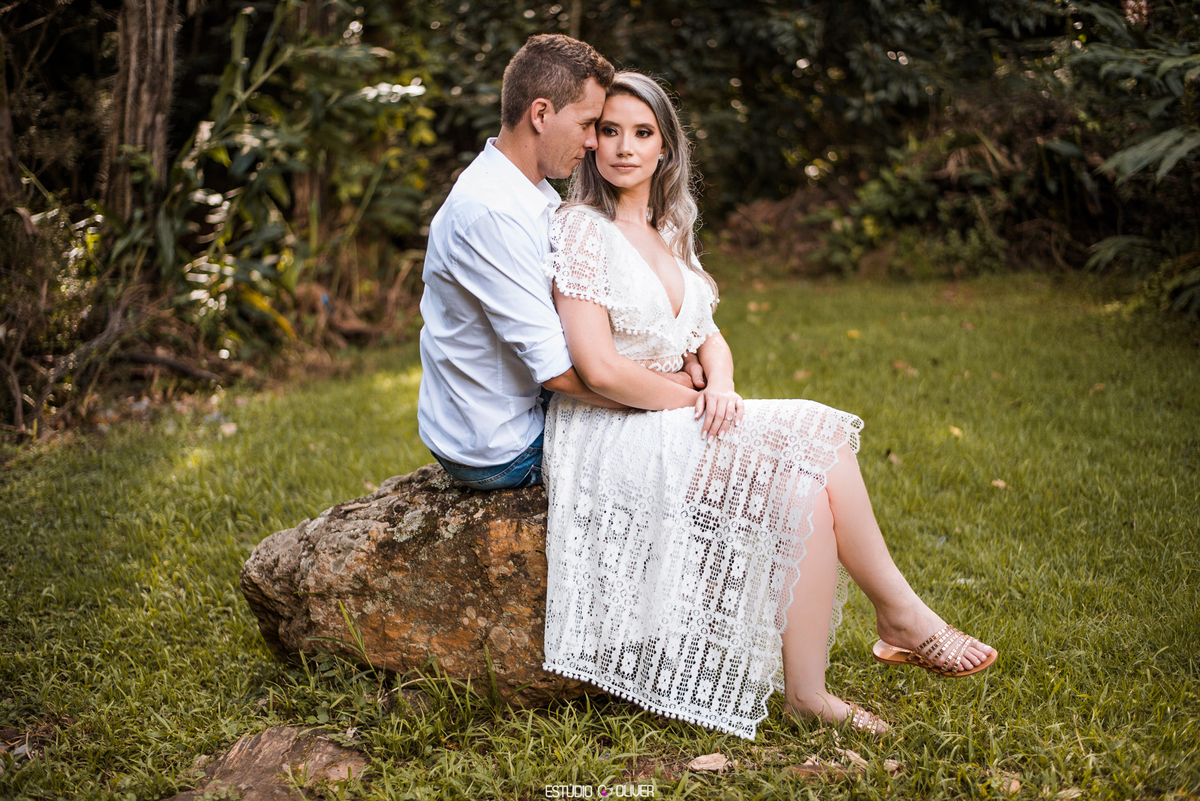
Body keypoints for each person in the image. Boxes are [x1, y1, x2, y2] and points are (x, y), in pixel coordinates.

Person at [539, 71, 997, 739]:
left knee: (803, 494)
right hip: (612, 430)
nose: (625, 147)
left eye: (642, 132)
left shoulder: (669, 229)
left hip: (675, 413)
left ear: (665, 147)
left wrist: (721, 387)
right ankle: (901, 612)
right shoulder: (582, 229)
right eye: (609, 130)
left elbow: (708, 335)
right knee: (820, 431)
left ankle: (807, 693)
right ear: (591, 142)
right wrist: (689, 396)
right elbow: (599, 367)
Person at [417, 35, 701, 490]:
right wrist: (680, 395)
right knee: (701, 462)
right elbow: (562, 374)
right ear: (541, 114)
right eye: (589, 124)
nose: (592, 142)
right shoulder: (490, 214)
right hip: (505, 444)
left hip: (536, 406)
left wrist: (676, 358)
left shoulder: (532, 194)